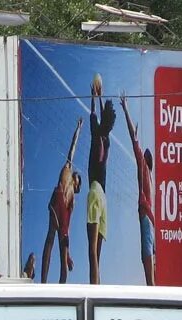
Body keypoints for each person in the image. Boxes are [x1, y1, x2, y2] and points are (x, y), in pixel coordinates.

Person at [40, 117, 83, 283]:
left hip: (63, 214)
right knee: (49, 241)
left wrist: (69, 254)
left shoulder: (73, 200)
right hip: (57, 205)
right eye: (78, 181)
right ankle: (43, 282)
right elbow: (72, 147)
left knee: (63, 258)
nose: (78, 184)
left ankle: (61, 287)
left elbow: (68, 228)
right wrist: (78, 129)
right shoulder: (67, 169)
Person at [120, 94, 156, 285]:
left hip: (146, 216)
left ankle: (152, 290)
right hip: (151, 219)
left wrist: (125, 109)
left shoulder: (143, 166)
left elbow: (132, 137)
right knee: (151, 259)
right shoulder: (149, 176)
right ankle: (153, 287)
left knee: (147, 255)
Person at [85, 79, 116, 285]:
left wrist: (95, 97)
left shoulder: (97, 135)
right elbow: (102, 117)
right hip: (104, 197)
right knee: (98, 255)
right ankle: (99, 288)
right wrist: (101, 96)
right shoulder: (107, 138)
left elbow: (93, 114)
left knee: (91, 253)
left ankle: (93, 289)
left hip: (95, 191)